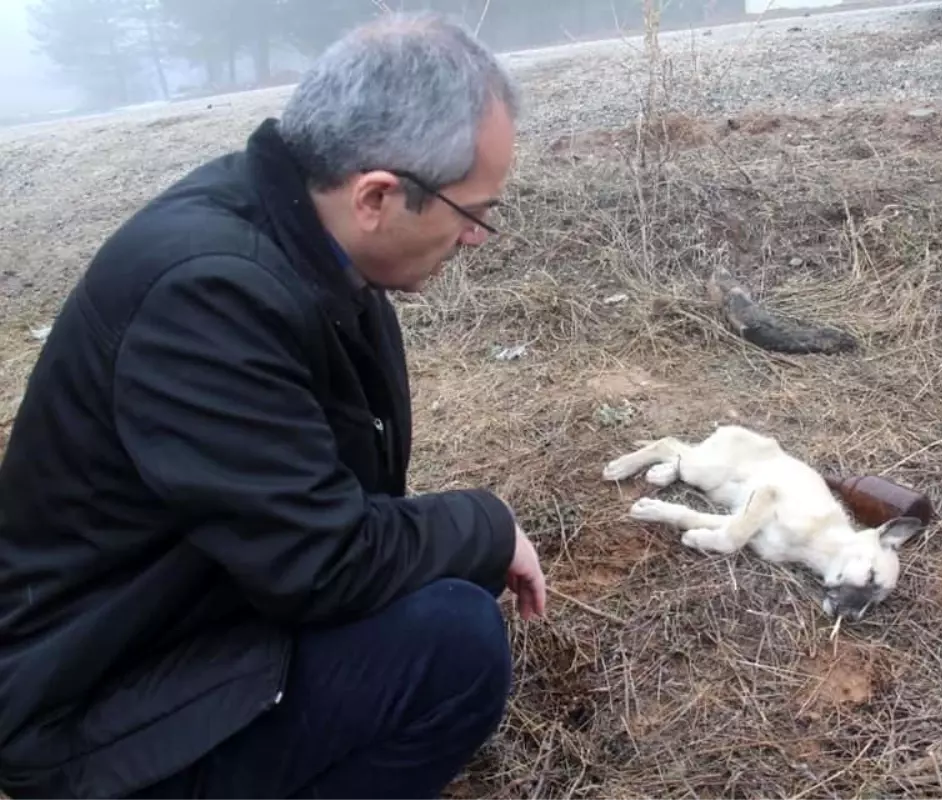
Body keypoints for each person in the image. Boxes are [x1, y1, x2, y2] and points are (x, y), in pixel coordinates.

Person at [0, 11, 546, 800]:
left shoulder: (302, 241)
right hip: (91, 711)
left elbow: (325, 516)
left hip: (181, 624)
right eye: (472, 213)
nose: (476, 239)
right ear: (378, 196)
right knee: (451, 647)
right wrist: (485, 525)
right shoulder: (206, 296)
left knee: (434, 599)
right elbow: (322, 566)